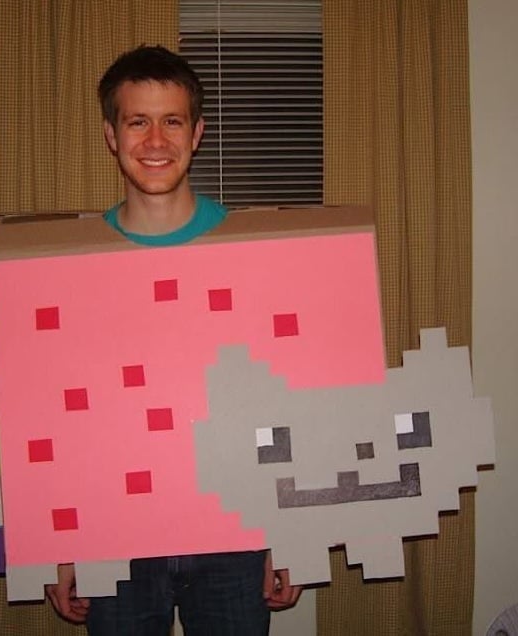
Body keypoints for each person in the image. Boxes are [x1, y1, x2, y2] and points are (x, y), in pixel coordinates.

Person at [46, 45, 302, 635]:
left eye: (172, 121)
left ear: (197, 132)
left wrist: (290, 535)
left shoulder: (252, 252)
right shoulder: (70, 264)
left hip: (233, 537)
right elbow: (57, 411)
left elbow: (285, 399)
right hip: (115, 533)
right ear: (111, 135)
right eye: (138, 121)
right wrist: (57, 543)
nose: (156, 140)